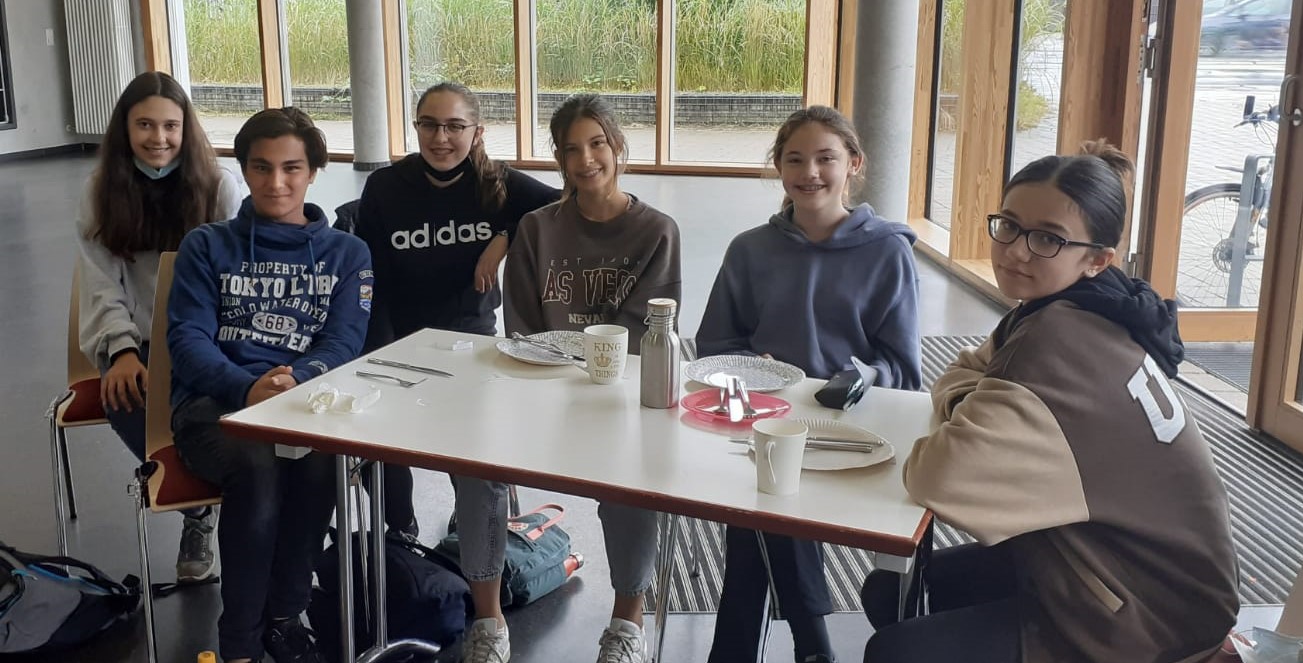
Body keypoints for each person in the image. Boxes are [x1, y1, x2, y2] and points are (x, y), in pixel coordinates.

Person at [860, 142, 1239, 662]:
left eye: (1047, 239)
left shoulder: (1053, 340)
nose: (1016, 250)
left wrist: (972, 407)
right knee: (891, 589)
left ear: (1097, 259)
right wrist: (979, 405)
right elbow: (963, 371)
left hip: (1146, 612)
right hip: (1113, 564)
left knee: (897, 650)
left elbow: (936, 478)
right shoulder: (1098, 307)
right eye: (1009, 226)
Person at [456, 93, 680, 663]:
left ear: (618, 146)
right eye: (571, 149)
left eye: (597, 144)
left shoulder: (657, 230)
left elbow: (645, 333)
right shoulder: (536, 228)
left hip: (615, 401)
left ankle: (627, 625)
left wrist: (584, 372)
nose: (586, 160)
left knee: (634, 480)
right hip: (539, 393)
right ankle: (488, 621)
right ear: (558, 158)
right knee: (475, 466)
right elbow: (523, 328)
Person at [695, 105, 922, 663]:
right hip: (760, 420)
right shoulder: (750, 249)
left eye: (826, 158)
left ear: (854, 165)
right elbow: (713, 346)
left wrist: (855, 378)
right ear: (778, 167)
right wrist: (755, 368)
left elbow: (902, 369)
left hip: (851, 432)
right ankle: (810, 647)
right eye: (795, 159)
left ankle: (758, 647)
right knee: (771, 491)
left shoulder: (888, 251)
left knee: (765, 504)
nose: (810, 172)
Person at [167, 107, 373, 663]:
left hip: (303, 402)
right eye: (261, 167)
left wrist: (295, 380)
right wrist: (246, 388)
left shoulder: (348, 254)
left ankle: (285, 618)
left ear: (313, 172)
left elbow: (342, 341)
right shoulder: (206, 245)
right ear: (244, 169)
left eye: (291, 168)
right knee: (257, 466)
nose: (275, 182)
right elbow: (188, 340)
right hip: (213, 406)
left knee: (320, 462)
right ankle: (239, 645)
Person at [354, 82, 559, 539]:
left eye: (454, 126)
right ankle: (400, 526)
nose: (440, 138)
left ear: (477, 132)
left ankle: (470, 513)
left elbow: (566, 203)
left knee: (470, 439)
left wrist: (505, 236)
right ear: (415, 127)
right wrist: (378, 360)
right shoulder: (385, 187)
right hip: (399, 333)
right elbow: (374, 281)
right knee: (375, 433)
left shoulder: (497, 183)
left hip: (468, 338)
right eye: (429, 125)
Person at [76, 70, 244, 583]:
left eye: (170, 126)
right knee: (124, 395)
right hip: (142, 339)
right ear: (125, 128)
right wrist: (121, 350)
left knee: (219, 402)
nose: (159, 138)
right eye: (145, 124)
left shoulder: (218, 185)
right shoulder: (100, 191)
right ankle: (198, 510)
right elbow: (101, 283)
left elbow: (238, 276)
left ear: (185, 128)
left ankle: (232, 498)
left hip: (212, 335)